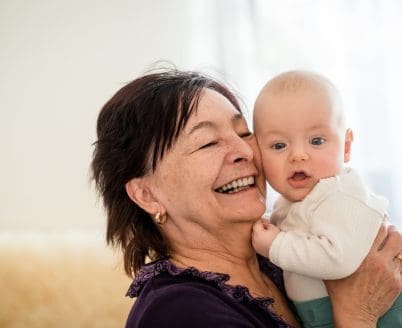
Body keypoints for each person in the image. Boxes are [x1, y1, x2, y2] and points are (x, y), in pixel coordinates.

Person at [91, 68, 402, 327]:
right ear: (147, 195)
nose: (244, 152)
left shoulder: (288, 251)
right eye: (208, 143)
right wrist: (357, 314)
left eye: (243, 133)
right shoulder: (177, 313)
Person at [252, 70, 402, 327]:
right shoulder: (295, 201)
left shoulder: (340, 194)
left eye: (317, 141)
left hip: (385, 314)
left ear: (346, 146)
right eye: (279, 146)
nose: (298, 155)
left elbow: (338, 259)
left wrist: (275, 245)